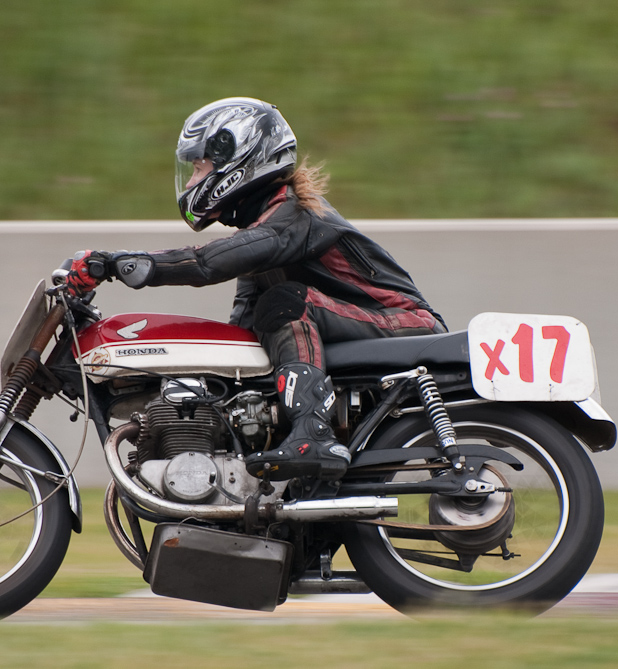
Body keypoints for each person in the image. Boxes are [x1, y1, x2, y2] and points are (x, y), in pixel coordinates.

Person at [66, 97, 445, 483]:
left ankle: (313, 434)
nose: (193, 181)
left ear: (239, 159)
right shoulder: (264, 231)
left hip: (407, 323)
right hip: (360, 326)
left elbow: (207, 262)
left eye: (199, 167)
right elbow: (242, 329)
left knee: (286, 302)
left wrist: (118, 263)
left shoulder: (295, 214)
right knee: (263, 322)